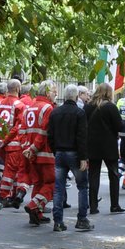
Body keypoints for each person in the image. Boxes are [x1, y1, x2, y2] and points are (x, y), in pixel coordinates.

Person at [47, 84, 91, 231]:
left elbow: (50, 136)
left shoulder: (55, 112)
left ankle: (58, 221)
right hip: (75, 153)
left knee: (58, 188)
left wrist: (55, 150)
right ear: (77, 96)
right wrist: (83, 158)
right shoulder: (79, 113)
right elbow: (82, 137)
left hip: (60, 152)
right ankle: (82, 219)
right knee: (82, 187)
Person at [18, 81, 58, 226]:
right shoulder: (48, 108)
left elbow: (21, 131)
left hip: (30, 154)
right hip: (44, 153)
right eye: (54, 91)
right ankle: (34, 205)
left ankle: (36, 215)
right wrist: (33, 148)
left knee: (38, 183)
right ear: (47, 92)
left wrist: (26, 148)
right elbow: (44, 133)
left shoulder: (29, 108)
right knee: (51, 183)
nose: (56, 94)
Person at [85, 83, 125, 215]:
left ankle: (93, 206)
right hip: (109, 145)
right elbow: (119, 126)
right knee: (113, 175)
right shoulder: (111, 107)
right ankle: (114, 205)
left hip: (92, 145)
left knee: (93, 175)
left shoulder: (88, 107)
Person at [0, 79, 25, 208]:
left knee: (11, 171)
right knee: (10, 171)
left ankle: (12, 194)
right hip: (13, 144)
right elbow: (17, 127)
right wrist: (5, 141)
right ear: (17, 89)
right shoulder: (19, 105)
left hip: (1, 144)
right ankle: (3, 195)